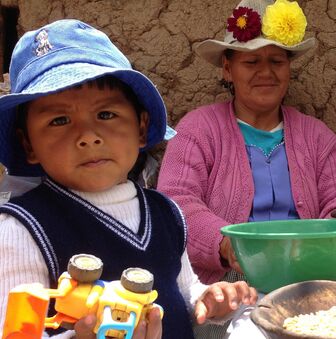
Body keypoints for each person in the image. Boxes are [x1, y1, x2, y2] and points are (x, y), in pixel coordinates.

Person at [0, 19, 257, 338]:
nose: (88, 136)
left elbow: (179, 291)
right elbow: (14, 332)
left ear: (140, 127)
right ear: (28, 145)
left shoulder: (166, 213)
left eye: (106, 114)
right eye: (60, 120)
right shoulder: (23, 229)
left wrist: (206, 299)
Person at [158, 0, 336, 285]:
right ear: (228, 70)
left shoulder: (318, 137)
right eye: (251, 62)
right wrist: (228, 244)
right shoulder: (198, 129)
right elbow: (177, 203)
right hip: (227, 279)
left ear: (289, 68)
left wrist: (325, 241)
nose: (266, 72)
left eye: (277, 61)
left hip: (308, 272)